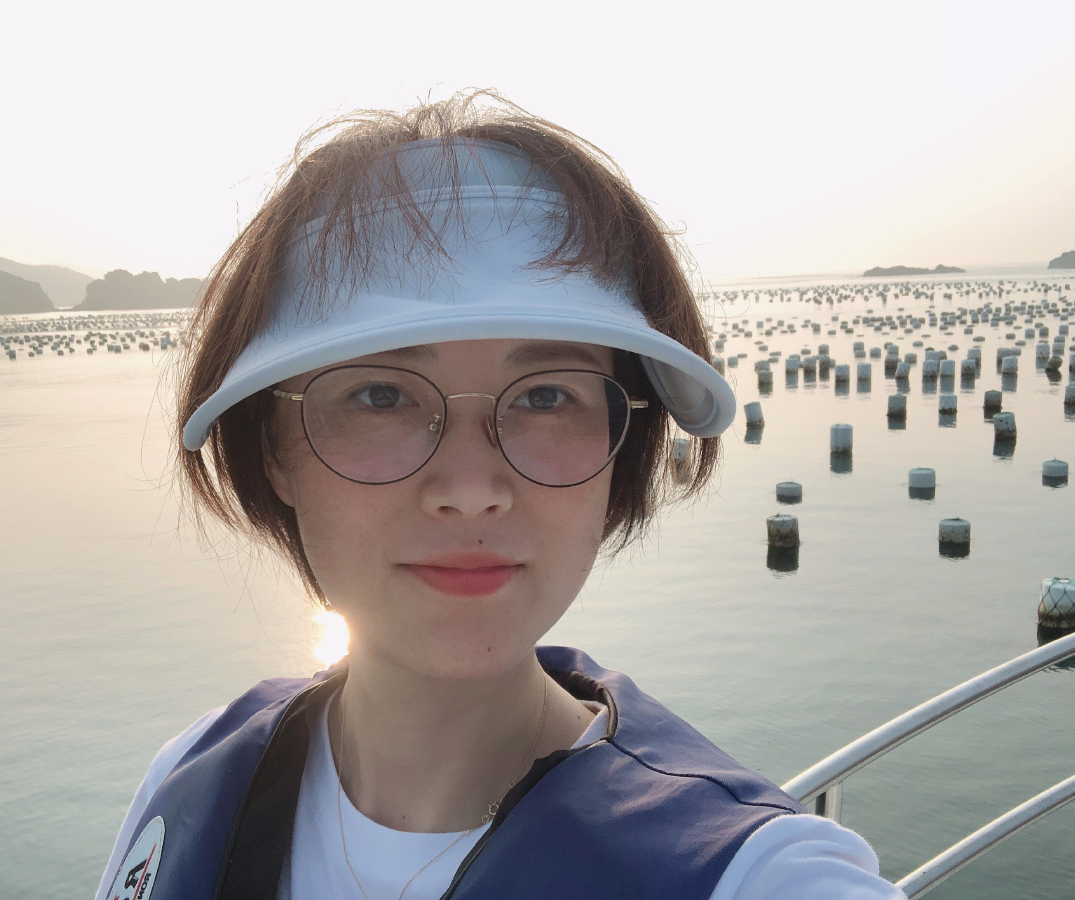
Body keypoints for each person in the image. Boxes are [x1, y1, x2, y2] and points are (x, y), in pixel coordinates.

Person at [96, 91, 905, 900]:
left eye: (547, 396)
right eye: (380, 395)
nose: (472, 490)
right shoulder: (188, 787)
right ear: (274, 449)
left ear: (621, 445)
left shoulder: (759, 877)